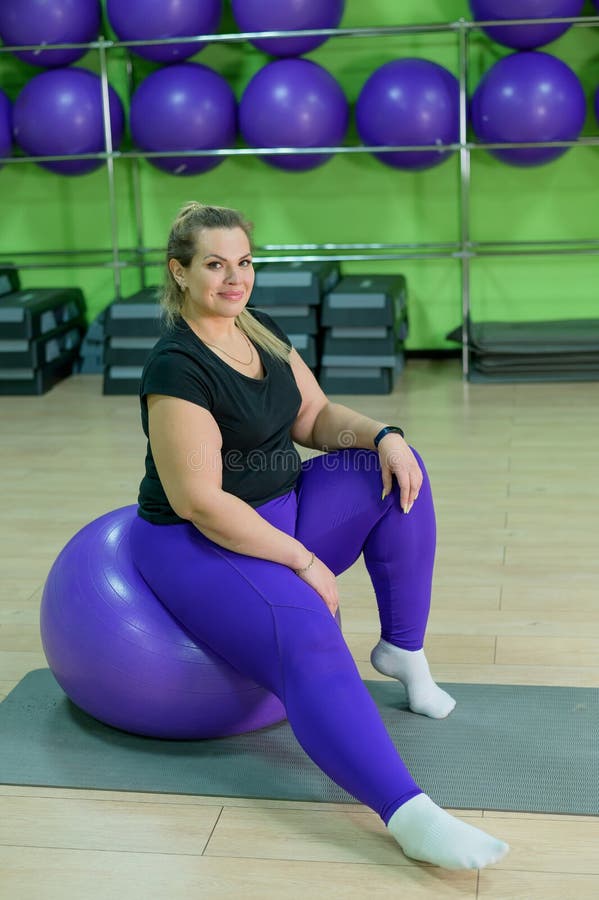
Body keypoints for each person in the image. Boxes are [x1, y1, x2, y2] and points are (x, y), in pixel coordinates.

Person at [130, 201, 509, 871]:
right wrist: (304, 561)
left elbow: (314, 417)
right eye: (214, 265)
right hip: (201, 544)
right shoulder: (176, 367)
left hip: (283, 508)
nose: (233, 279)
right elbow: (200, 501)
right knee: (308, 631)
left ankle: (402, 653)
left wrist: (384, 435)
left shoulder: (261, 330)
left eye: (243, 262)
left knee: (397, 473)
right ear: (179, 272)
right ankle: (408, 814)